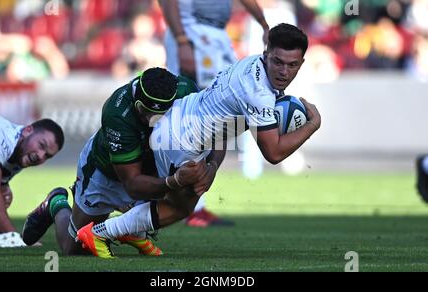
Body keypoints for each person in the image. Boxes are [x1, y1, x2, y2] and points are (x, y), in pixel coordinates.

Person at [76, 23, 322, 258]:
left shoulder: (250, 64)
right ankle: (101, 233)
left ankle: (133, 231)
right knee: (179, 207)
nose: (284, 71)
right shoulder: (258, 93)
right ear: (266, 54)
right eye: (278, 62)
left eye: (292, 65)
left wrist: (213, 166)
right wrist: (312, 126)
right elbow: (274, 153)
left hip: (181, 117)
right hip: (181, 142)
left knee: (169, 200)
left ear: (301, 63)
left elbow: (226, 122)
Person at [21, 67, 214, 257]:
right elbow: (132, 184)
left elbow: (219, 128)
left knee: (186, 201)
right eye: (145, 112)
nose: (151, 121)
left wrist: (211, 167)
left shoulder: (186, 91)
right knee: (77, 248)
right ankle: (57, 204)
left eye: (159, 116)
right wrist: (174, 181)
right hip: (107, 173)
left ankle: (133, 228)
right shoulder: (118, 112)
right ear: (135, 99)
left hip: (153, 168)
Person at [159, 0, 270, 227]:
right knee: (191, 115)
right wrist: (181, 40)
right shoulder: (185, 36)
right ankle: (187, 204)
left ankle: (194, 201)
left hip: (217, 37)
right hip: (191, 34)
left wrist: (263, 23)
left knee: (220, 114)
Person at [0, 114, 64, 238]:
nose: (40, 156)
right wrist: (14, 238)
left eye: (47, 156)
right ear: (27, 131)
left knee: (3, 196)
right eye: (41, 145)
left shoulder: (21, 151)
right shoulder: (0, 137)